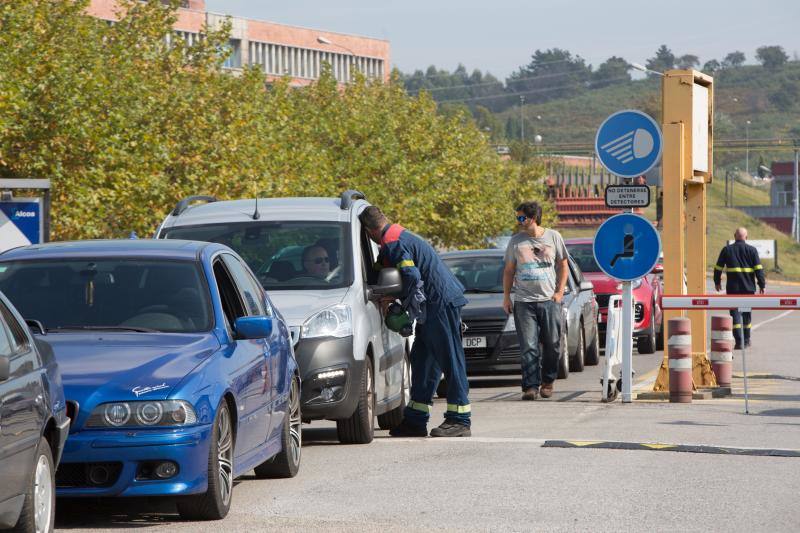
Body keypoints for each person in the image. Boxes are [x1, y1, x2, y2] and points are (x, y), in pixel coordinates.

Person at [359, 205, 471, 438]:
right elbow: (381, 271)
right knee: (423, 361)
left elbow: (411, 276)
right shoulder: (395, 238)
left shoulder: (394, 243)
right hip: (432, 305)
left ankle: (459, 419)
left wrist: (393, 297)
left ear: (370, 232)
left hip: (440, 304)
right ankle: (416, 420)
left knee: (450, 359)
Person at [502, 201, 569, 401]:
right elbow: (508, 271)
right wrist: (507, 296)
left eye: (522, 218)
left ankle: (547, 382)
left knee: (552, 344)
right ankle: (530, 386)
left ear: (532, 218)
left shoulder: (554, 237)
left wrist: (559, 292)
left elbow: (563, 265)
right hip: (524, 301)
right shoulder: (516, 241)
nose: (519, 221)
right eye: (518, 218)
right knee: (528, 346)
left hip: (549, 300)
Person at [714, 227, 766, 349]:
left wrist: (717, 282)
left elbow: (718, 268)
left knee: (735, 315)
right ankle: (746, 340)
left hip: (733, 290)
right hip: (748, 290)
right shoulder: (752, 250)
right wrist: (762, 285)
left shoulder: (727, 250)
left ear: (734, 236)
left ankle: (738, 342)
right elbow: (759, 269)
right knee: (746, 314)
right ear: (746, 237)